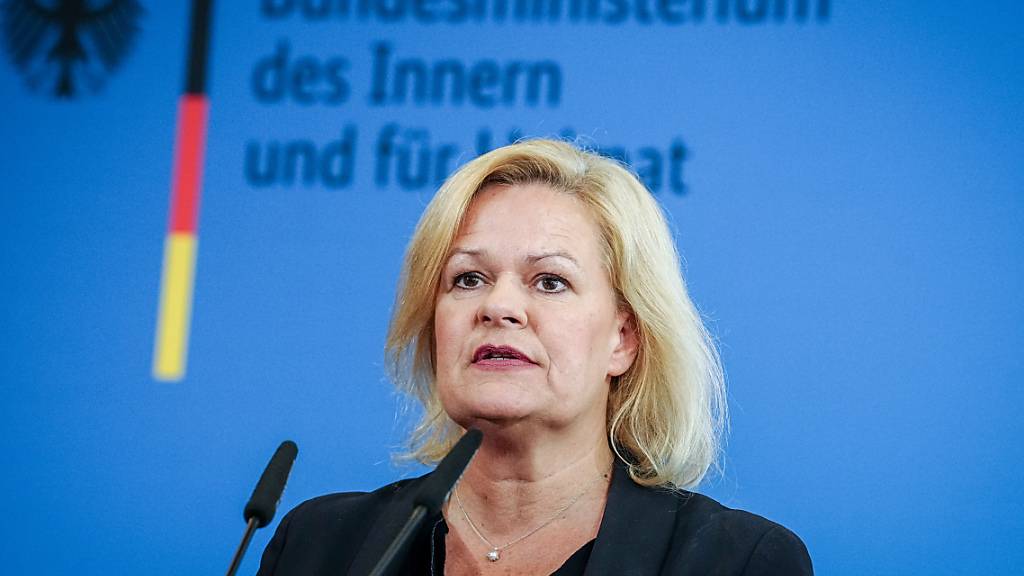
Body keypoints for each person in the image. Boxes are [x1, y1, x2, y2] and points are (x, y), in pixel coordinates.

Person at [256, 139, 813, 575]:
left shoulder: (738, 562)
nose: (498, 306)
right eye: (468, 278)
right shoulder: (318, 547)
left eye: (549, 282)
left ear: (623, 338)